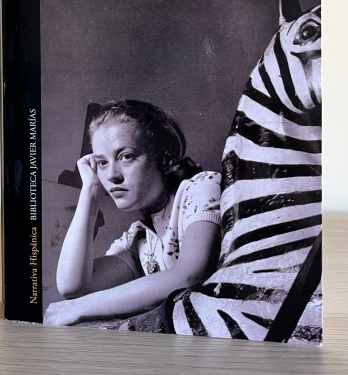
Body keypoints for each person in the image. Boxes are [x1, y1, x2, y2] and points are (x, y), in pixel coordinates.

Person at [44, 99, 221, 327]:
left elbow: (190, 274)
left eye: (126, 156)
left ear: (164, 159)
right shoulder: (137, 238)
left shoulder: (202, 187)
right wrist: (90, 191)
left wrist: (79, 308)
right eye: (102, 162)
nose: (112, 175)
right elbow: (72, 287)